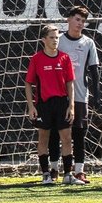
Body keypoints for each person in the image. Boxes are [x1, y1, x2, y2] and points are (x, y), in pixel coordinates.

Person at [25, 24, 75, 186]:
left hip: (62, 103)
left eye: (57, 37)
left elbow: (70, 83)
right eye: (52, 38)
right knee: (43, 138)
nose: (55, 41)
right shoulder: (37, 59)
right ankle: (46, 173)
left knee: (67, 138)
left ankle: (68, 174)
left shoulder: (65, 58)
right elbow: (28, 84)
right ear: (44, 40)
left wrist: (71, 105)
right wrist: (31, 106)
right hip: (44, 104)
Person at [57, 6, 101, 185]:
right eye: (77, 19)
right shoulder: (58, 40)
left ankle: (79, 171)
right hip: (59, 94)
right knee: (57, 132)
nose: (80, 24)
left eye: (83, 21)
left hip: (81, 95)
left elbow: (94, 70)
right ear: (68, 20)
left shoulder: (88, 43)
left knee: (79, 133)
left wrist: (97, 93)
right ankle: (54, 169)